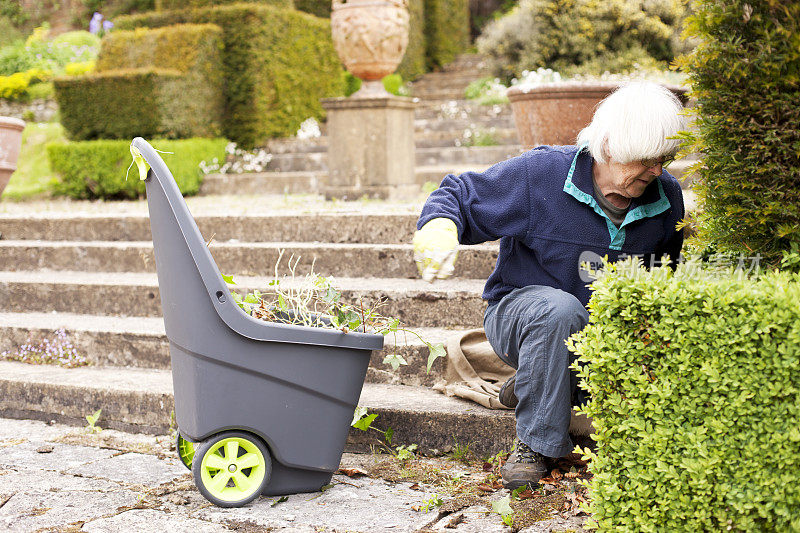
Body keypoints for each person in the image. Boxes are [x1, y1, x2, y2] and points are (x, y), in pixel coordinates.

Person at [412, 82, 686, 490]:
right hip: (520, 314)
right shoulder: (541, 175)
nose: (657, 171)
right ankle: (535, 444)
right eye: (647, 159)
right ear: (609, 146)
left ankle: (529, 385)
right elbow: (460, 194)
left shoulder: (666, 198)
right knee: (561, 311)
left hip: (598, 337)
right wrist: (438, 227)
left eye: (664, 159)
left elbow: (663, 285)